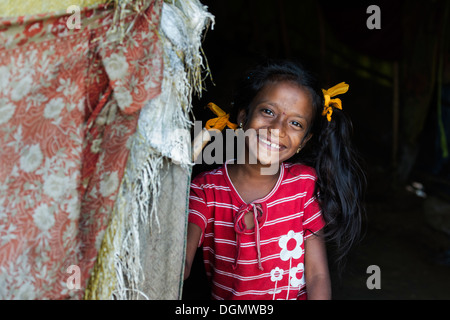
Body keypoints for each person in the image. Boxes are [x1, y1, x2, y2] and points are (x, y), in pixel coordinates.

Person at [184, 60, 365, 300]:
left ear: (303, 141)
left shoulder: (304, 186)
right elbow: (178, 263)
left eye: (295, 123)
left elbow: (317, 276)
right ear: (243, 117)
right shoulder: (206, 190)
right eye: (268, 111)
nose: (278, 129)